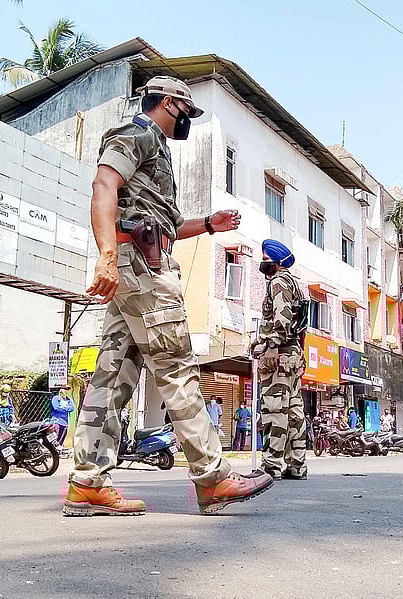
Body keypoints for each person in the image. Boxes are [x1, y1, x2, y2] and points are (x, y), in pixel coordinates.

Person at [64, 75, 272, 517]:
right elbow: (104, 186)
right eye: (188, 112)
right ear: (171, 103)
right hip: (141, 267)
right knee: (176, 365)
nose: (189, 122)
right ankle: (213, 478)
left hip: (136, 264)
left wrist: (210, 225)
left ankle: (88, 482)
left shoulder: (156, 151)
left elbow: (168, 227)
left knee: (113, 373)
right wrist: (105, 255)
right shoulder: (136, 133)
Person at [250, 239, 308, 480]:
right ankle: (297, 465)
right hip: (292, 353)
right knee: (294, 411)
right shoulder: (295, 284)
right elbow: (301, 324)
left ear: (277, 261)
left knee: (275, 409)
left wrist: (272, 346)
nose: (263, 264)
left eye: (265, 259)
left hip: (280, 353)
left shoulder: (279, 281)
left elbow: (282, 317)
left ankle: (271, 465)